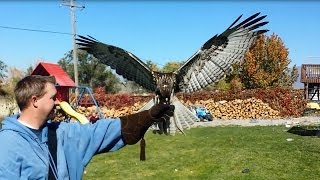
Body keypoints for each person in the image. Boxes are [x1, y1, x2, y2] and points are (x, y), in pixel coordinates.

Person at [0, 75, 175, 179]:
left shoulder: (60, 132)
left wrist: (147, 116)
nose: (58, 102)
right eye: (53, 98)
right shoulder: (7, 145)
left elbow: (99, 132)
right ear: (35, 101)